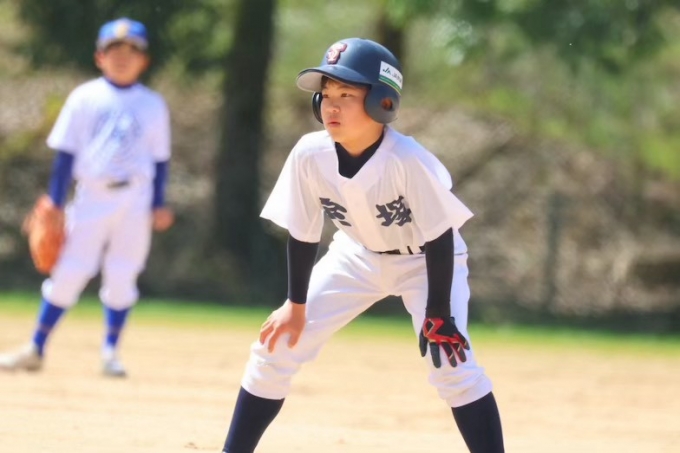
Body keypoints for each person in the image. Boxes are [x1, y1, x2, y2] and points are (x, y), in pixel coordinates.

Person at [220, 38, 504, 452]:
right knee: (276, 347)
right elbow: (303, 230)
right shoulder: (309, 153)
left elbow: (440, 235)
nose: (331, 106)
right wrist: (295, 306)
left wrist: (439, 312)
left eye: (347, 95)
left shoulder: (407, 159)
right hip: (355, 256)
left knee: (451, 364)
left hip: (425, 263)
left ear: (382, 102)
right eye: (326, 95)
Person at [0, 17, 173, 378]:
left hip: (135, 200)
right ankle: (36, 347)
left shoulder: (153, 104)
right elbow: (65, 154)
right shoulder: (84, 97)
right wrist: (55, 200)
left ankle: (110, 352)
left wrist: (158, 203)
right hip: (91, 197)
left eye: (132, 51)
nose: (122, 57)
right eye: (115, 50)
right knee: (69, 271)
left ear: (144, 60)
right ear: (99, 57)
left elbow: (160, 159)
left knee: (123, 274)